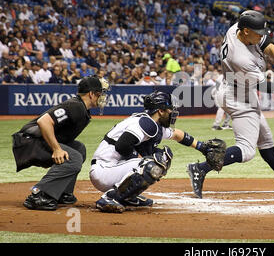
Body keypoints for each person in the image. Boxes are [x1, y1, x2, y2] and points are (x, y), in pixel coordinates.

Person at [186, 10, 274, 198]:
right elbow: (263, 85)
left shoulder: (237, 29)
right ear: (246, 31)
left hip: (239, 91)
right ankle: (200, 168)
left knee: (265, 140)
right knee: (247, 150)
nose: (262, 36)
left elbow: (270, 47)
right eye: (258, 33)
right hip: (237, 98)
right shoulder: (239, 57)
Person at [90, 91, 218, 213]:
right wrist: (143, 160)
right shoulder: (145, 123)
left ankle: (127, 196)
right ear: (160, 111)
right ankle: (110, 197)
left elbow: (177, 135)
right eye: (170, 109)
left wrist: (202, 147)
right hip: (104, 170)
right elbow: (122, 146)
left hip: (114, 168)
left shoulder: (154, 124)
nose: (173, 112)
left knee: (163, 157)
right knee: (152, 163)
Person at [12, 76, 110, 210]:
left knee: (79, 148)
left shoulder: (81, 108)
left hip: (35, 140)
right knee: (74, 158)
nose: (102, 97)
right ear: (91, 94)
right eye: (100, 93)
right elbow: (44, 121)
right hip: (29, 141)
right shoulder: (75, 106)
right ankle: (40, 195)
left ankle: (62, 192)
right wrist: (56, 149)